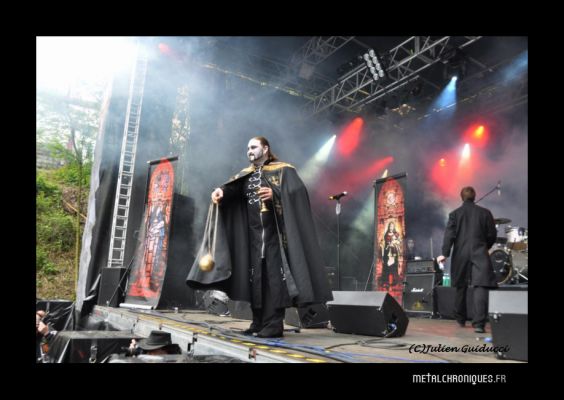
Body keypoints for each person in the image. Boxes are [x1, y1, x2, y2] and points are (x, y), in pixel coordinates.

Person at [187, 136, 333, 338]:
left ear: (265, 149)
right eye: (248, 148)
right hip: (253, 238)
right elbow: (233, 188)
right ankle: (258, 322)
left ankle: (274, 324)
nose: (250, 150)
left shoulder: (284, 170)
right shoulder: (246, 174)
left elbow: (297, 193)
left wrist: (276, 195)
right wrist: (220, 191)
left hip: (276, 237)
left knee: (274, 280)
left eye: (254, 147)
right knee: (255, 280)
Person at [436, 186, 497, 333]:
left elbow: (449, 235)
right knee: (480, 286)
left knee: (460, 286)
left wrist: (445, 253)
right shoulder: (485, 213)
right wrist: (485, 246)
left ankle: (460, 319)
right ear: (474, 197)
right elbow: (492, 235)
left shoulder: (455, 214)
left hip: (461, 253)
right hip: (479, 252)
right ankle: (479, 324)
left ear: (461, 197)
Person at [380, 221, 401, 288]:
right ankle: (386, 281)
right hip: (387, 252)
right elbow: (384, 243)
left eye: (392, 226)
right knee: (387, 266)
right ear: (388, 227)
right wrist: (384, 245)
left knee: (393, 266)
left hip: (394, 252)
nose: (391, 227)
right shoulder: (386, 234)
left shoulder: (396, 234)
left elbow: (399, 242)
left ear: (394, 227)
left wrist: (395, 242)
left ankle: (394, 281)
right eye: (390, 226)